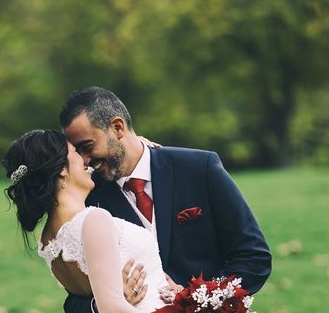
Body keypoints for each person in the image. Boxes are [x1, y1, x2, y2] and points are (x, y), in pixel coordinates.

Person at [59, 87, 272, 313]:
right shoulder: (90, 201)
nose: (84, 160)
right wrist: (105, 301)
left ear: (118, 127)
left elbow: (253, 257)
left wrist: (196, 299)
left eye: (87, 147)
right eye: (77, 152)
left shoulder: (199, 168)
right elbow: (74, 299)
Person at [3, 129, 172, 313]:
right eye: (76, 152)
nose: (86, 159)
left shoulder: (47, 240)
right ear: (61, 168)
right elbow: (111, 307)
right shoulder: (93, 219)